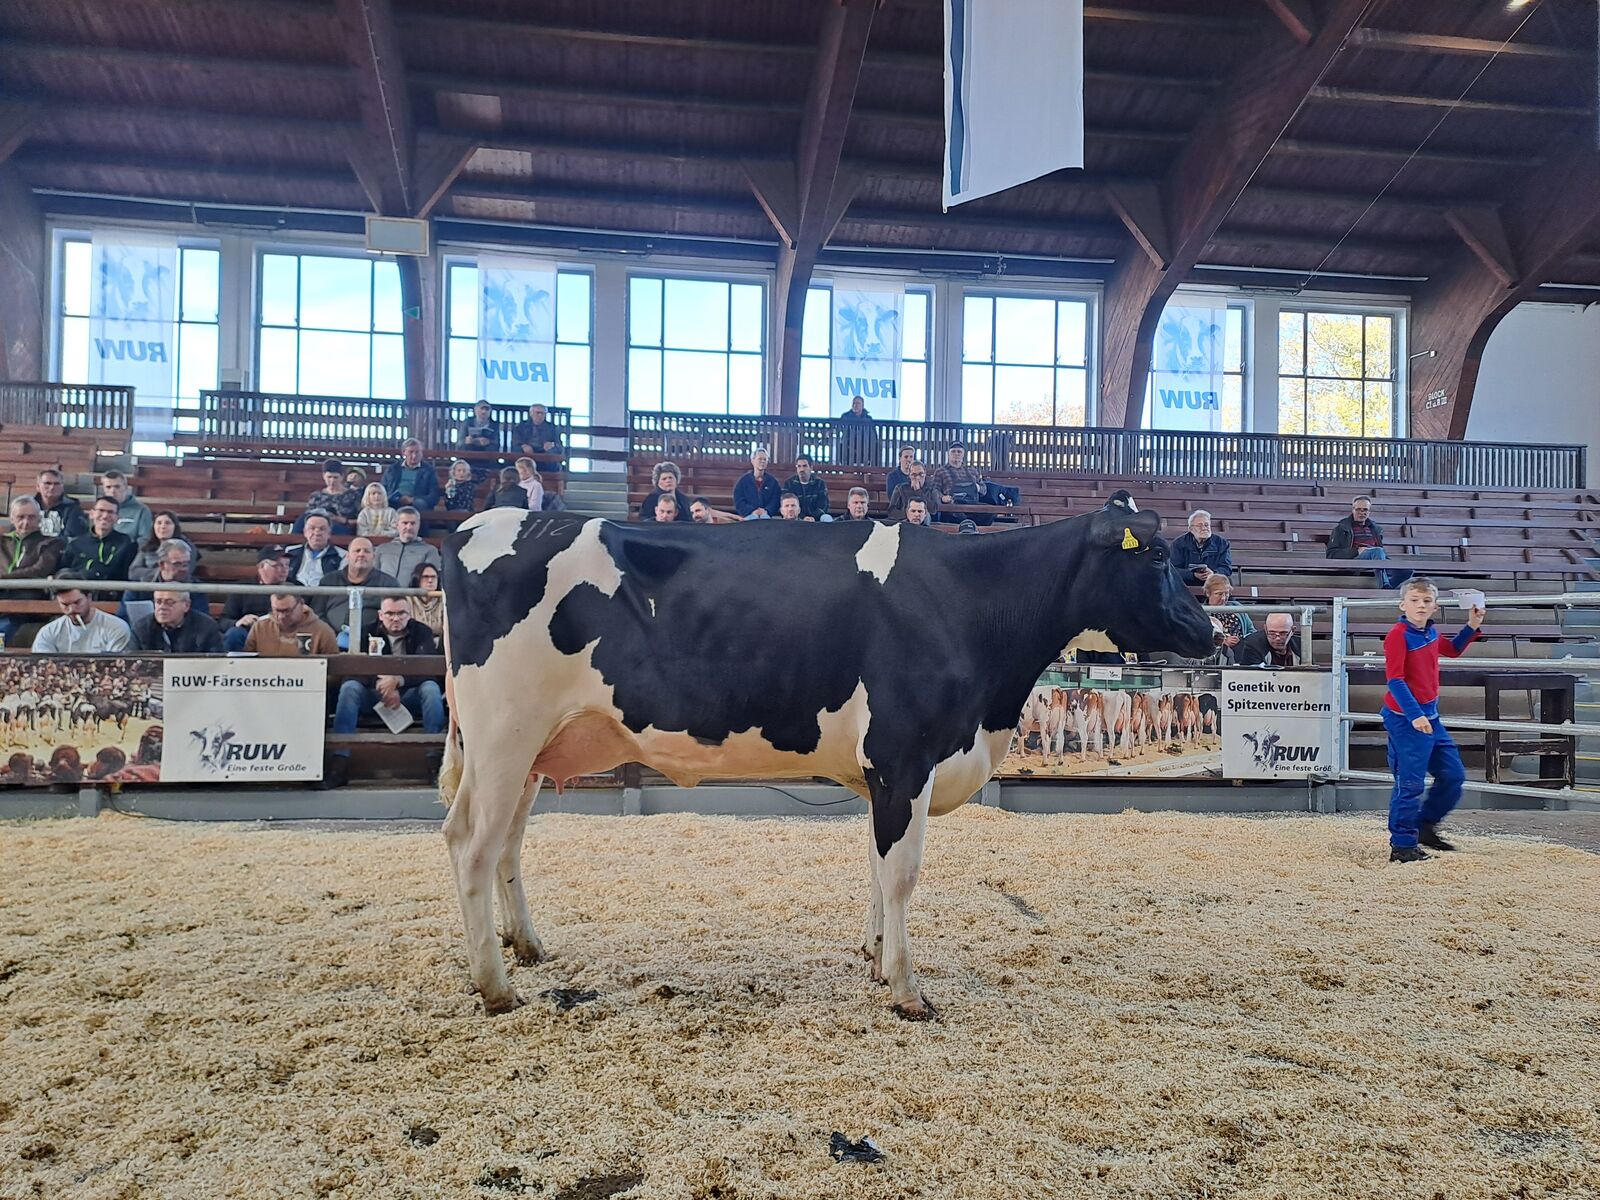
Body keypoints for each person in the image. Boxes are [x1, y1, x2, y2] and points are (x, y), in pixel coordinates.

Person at [1382, 577, 1485, 863]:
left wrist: (1472, 626)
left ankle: (1424, 825)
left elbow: (1451, 650)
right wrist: (1415, 716)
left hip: (1430, 716)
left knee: (1453, 775)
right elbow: (1395, 680)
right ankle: (1402, 845)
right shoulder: (1398, 635)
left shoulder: (1429, 632)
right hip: (1406, 718)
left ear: (1435, 607)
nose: (1421, 605)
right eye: (1414, 600)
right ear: (1403, 604)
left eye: (1426, 601)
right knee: (1410, 782)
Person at [326, 596, 447, 787]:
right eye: (390, 613)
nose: (395, 618)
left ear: (410, 615)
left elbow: (428, 670)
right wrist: (384, 684)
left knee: (431, 689)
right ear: (380, 615)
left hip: (409, 695)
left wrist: (398, 681)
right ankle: (338, 764)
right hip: (373, 695)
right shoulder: (366, 631)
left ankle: (436, 762)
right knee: (350, 688)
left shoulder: (422, 631)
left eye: (401, 613)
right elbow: (355, 671)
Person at [0, 497, 64, 645]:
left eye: (31, 517)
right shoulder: (2, 541)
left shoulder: (51, 542)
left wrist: (3, 578)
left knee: (5, 625)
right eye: (20, 517)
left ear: (40, 518)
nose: (26, 522)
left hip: (25, 598)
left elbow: (40, 570)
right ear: (11, 518)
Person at [316, 537, 399, 643]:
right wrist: (331, 634)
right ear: (347, 556)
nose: (361, 554)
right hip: (329, 640)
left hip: (373, 641)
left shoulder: (388, 583)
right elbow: (317, 612)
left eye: (367, 551)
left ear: (374, 556)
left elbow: (393, 615)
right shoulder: (328, 580)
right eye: (357, 550)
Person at [32, 573, 133, 654]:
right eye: (65, 604)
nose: (72, 609)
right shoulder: (48, 633)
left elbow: (115, 667)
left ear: (89, 597)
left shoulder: (116, 628)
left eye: (77, 602)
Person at [1328, 496, 1411, 590]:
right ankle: (1384, 586)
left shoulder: (1375, 529)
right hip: (1354, 561)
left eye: (1365, 510)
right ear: (1353, 509)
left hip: (1376, 559)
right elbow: (1331, 554)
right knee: (1377, 551)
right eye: (1358, 509)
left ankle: (1390, 589)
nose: (1362, 513)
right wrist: (1357, 551)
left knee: (1407, 570)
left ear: (1369, 512)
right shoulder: (1341, 529)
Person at [123, 538, 212, 619]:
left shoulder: (196, 589)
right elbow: (123, 616)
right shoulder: (139, 587)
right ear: (162, 565)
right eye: (177, 564)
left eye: (185, 564)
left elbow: (201, 621)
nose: (183, 569)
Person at [223, 546, 289, 652]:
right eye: (278, 565)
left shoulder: (296, 587)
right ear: (261, 566)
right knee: (234, 634)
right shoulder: (243, 588)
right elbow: (223, 621)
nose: (284, 570)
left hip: (284, 630)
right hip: (250, 631)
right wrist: (239, 622)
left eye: (287, 565)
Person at [64, 497, 137, 582]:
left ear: (117, 518)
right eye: (101, 510)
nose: (105, 516)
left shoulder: (126, 543)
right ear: (91, 514)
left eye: (110, 512)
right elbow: (64, 572)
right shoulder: (75, 544)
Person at [244, 592, 338, 656]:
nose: (281, 616)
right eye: (276, 610)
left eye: (287, 611)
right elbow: (247, 665)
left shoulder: (323, 631)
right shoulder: (260, 627)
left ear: (301, 604)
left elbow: (334, 672)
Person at [131, 589, 224, 654]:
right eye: (158, 602)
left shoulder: (206, 627)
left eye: (169, 602)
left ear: (186, 605)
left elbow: (216, 665)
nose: (162, 607)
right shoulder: (141, 628)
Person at [1168, 510, 1233, 587]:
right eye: (1199, 525)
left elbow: (1226, 568)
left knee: (1226, 582)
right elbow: (1172, 570)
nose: (1204, 528)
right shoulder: (1178, 544)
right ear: (1190, 529)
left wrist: (1213, 573)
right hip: (1186, 584)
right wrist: (1193, 575)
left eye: (1206, 525)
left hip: (1213, 583)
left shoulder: (1222, 543)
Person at [129, 511, 199, 582]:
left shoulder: (187, 547)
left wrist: (148, 572)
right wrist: (161, 572)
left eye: (167, 523)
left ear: (175, 527)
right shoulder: (146, 547)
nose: (162, 526)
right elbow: (133, 572)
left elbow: (184, 572)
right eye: (159, 523)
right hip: (148, 586)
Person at [374, 507, 441, 582]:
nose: (409, 527)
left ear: (419, 525)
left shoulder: (430, 551)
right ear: (397, 525)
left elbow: (430, 581)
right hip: (382, 593)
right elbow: (373, 576)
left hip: (414, 593)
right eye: (405, 523)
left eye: (413, 523)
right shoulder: (382, 549)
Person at [301, 458, 362, 532]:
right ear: (324, 476)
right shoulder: (316, 496)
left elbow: (362, 519)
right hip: (318, 528)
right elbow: (308, 516)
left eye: (335, 477)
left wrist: (344, 520)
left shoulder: (354, 495)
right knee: (302, 519)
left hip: (342, 528)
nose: (332, 481)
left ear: (342, 476)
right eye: (329, 477)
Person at [381, 438, 442, 511]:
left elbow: (434, 495)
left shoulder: (429, 471)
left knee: (419, 504)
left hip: (417, 503)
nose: (414, 455)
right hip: (395, 501)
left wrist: (412, 499)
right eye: (411, 452)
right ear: (404, 452)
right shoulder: (392, 469)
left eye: (417, 452)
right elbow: (383, 489)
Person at [287, 513, 345, 590]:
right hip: (294, 594)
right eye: (312, 528)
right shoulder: (289, 552)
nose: (317, 533)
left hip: (324, 596)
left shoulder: (342, 555)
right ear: (305, 532)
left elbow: (339, 585)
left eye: (322, 529)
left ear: (329, 533)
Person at [1203, 574, 1254, 655]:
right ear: (1208, 593)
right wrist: (1223, 641)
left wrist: (1242, 640)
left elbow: (1251, 631)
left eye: (1226, 593)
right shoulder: (1203, 612)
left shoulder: (1237, 607)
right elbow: (1202, 637)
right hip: (1216, 653)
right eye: (1219, 594)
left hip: (1242, 649)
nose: (1223, 598)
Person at [33, 468, 89, 541]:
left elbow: (72, 536)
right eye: (47, 483)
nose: (52, 487)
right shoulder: (29, 506)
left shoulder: (72, 507)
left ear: (62, 487)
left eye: (56, 484)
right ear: (38, 487)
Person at [100, 470, 153, 543]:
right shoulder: (98, 510)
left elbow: (145, 539)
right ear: (103, 489)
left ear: (125, 487)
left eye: (117, 486)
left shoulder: (142, 510)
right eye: (108, 487)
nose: (112, 491)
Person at [1236, 612, 1301, 667]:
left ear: (1293, 630)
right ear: (1265, 628)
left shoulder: (1301, 646)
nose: (1277, 638)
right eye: (1272, 633)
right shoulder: (1252, 645)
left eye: (1283, 633)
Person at [733, 448, 782, 519]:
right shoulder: (743, 481)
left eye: (765, 459)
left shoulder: (773, 482)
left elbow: (776, 500)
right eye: (760, 459)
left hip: (766, 515)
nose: (762, 461)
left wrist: (767, 511)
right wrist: (752, 511)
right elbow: (739, 501)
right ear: (752, 461)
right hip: (749, 515)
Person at [784, 455, 832, 521]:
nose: (801, 469)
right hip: (796, 518)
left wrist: (813, 517)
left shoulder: (820, 483)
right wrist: (802, 518)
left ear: (811, 467)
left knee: (827, 518)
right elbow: (786, 503)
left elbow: (823, 505)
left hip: (816, 519)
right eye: (799, 466)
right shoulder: (789, 483)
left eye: (804, 466)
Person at [836, 395, 878, 465]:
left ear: (862, 405)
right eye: (854, 403)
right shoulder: (845, 416)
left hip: (864, 448)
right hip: (848, 447)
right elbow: (838, 429)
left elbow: (874, 435)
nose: (855, 405)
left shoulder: (868, 419)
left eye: (858, 403)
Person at [408, 562, 444, 639]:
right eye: (425, 577)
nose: (430, 580)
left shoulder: (444, 600)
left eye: (433, 577)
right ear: (416, 579)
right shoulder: (407, 600)